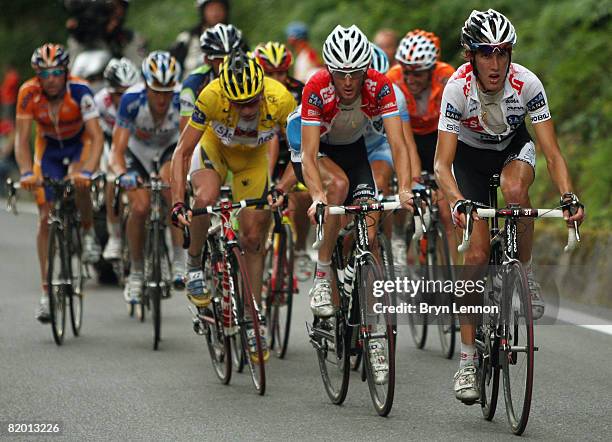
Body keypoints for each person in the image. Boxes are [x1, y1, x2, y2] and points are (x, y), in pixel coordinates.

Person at [433, 9, 585, 403]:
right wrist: (459, 202)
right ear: (471, 55)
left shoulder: (527, 84)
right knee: (477, 255)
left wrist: (568, 196)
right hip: (468, 159)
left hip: (511, 150)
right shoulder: (456, 89)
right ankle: (467, 358)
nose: (496, 64)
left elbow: (551, 152)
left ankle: (524, 271)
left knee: (516, 191)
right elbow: (441, 164)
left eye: (503, 53)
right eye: (486, 54)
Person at [170, 51, 297, 363]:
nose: (248, 109)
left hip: (253, 162)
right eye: (240, 104)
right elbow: (183, 153)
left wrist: (282, 187)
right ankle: (195, 262)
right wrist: (177, 202)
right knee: (206, 198)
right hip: (216, 150)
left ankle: (254, 319)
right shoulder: (210, 96)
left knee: (253, 239)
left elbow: (303, 152)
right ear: (226, 96)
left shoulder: (280, 99)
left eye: (253, 101)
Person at [15, 43, 104, 322]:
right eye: (44, 73)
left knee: (79, 184)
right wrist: (27, 172)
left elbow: (97, 136)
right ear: (37, 75)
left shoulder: (80, 91)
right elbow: (21, 140)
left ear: (65, 72)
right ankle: (46, 293)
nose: (50, 78)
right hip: (49, 148)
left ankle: (88, 233)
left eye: (55, 72)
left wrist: (88, 171)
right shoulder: (28, 93)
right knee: (44, 218)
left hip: (79, 145)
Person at [109, 51, 185, 302]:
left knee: (171, 189)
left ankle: (178, 260)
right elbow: (117, 150)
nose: (162, 98)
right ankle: (137, 272)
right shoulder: (131, 100)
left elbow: (188, 143)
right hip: (137, 154)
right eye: (156, 91)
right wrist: (121, 174)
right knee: (139, 208)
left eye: (167, 91)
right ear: (146, 86)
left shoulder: (182, 100)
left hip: (167, 150)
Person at [387, 29, 457, 259]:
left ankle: (455, 272)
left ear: (431, 69)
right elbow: (401, 141)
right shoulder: (393, 79)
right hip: (407, 136)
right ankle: (399, 233)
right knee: (403, 188)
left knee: (447, 211)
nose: (410, 79)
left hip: (439, 136)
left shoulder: (447, 77)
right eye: (406, 71)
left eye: (417, 73)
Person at [253, 41, 313, 281]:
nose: (277, 78)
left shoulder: (301, 90)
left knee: (302, 195)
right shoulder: (253, 92)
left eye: (281, 72)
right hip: (263, 151)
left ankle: (298, 250)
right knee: (261, 200)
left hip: (293, 152)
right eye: (270, 73)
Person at [94, 58, 140, 262]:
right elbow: (93, 135)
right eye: (118, 94)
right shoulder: (99, 102)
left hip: (133, 144)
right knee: (112, 179)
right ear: (109, 92)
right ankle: (114, 237)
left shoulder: (140, 100)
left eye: (128, 92)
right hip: (108, 143)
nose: (123, 98)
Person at [179, 23, 246, 134]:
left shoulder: (253, 76)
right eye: (219, 59)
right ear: (207, 60)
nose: (226, 63)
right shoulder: (192, 85)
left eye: (231, 58)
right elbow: (186, 131)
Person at [65, 0, 147, 66]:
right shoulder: (81, 38)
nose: (117, 12)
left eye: (119, 6)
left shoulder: (129, 38)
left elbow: (139, 65)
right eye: (109, 8)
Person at [170, 0, 230, 74]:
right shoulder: (187, 38)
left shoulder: (236, 40)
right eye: (211, 9)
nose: (215, 14)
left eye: (219, 9)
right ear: (202, 11)